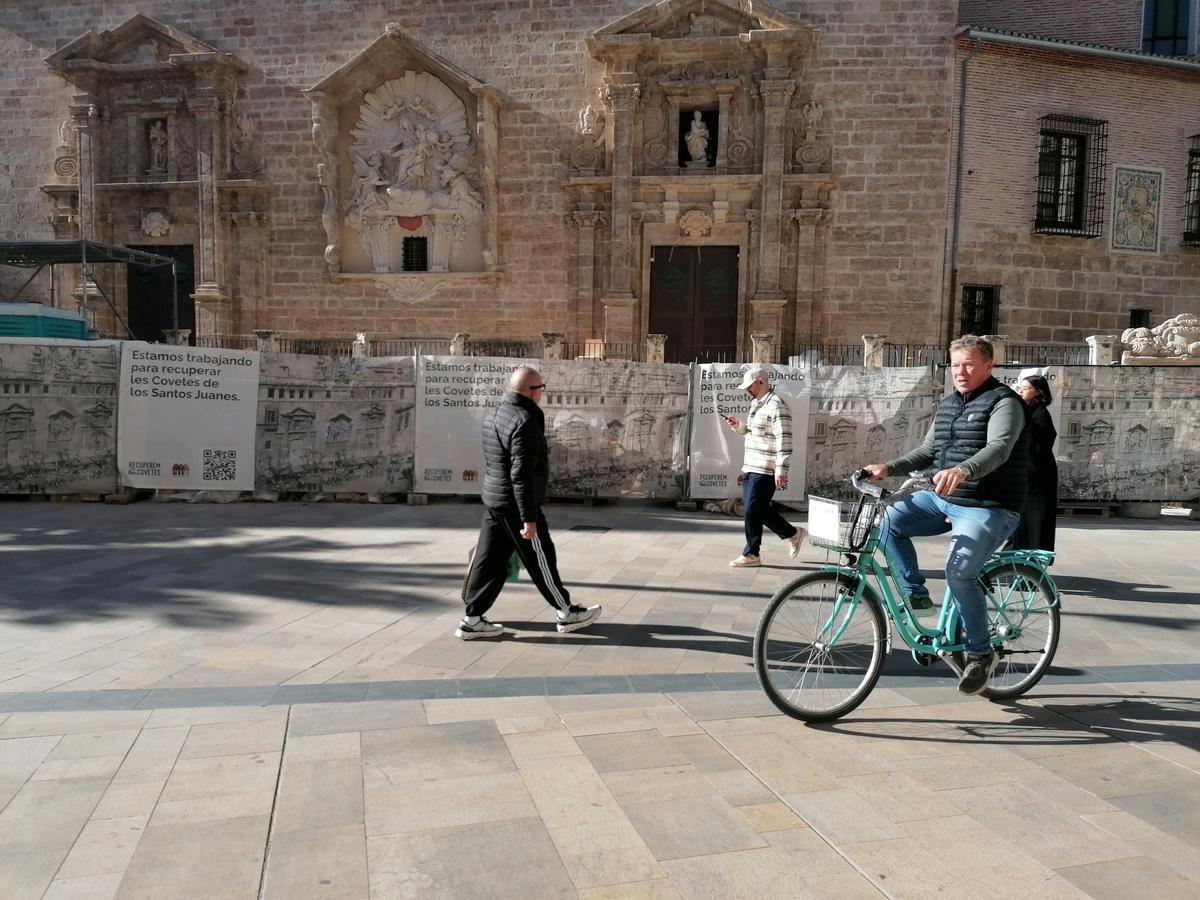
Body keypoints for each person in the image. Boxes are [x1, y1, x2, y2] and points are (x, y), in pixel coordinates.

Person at [862, 335, 1029, 695]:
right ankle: (915, 593)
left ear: (988, 365)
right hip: (943, 498)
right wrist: (886, 467)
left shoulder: (1005, 403)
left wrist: (964, 470)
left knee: (959, 572)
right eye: (955, 365)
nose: (961, 372)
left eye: (969, 364)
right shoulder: (950, 404)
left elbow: (999, 448)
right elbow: (927, 451)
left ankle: (980, 654)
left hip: (989, 505)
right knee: (888, 520)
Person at [458, 366, 601, 639]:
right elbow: (520, 474)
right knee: (541, 559)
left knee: (490, 562)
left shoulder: (495, 413)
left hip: (495, 501)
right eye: (541, 389)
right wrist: (528, 519)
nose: (542, 394)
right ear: (531, 392)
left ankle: (472, 619)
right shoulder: (525, 421)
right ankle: (566, 612)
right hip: (516, 505)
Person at [723, 366, 806, 568]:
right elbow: (754, 434)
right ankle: (793, 534)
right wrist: (740, 427)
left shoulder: (777, 406)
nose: (746, 390)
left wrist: (781, 469)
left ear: (761, 381)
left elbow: (784, 439)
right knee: (757, 509)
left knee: (753, 509)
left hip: (766, 468)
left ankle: (752, 553)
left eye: (749, 386)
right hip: (751, 465)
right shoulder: (756, 404)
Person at [1009, 375, 1058, 555]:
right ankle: (1016, 558)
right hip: (1025, 475)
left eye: (1026, 388)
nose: (1020, 391)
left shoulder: (1040, 413)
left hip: (1036, 477)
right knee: (1020, 522)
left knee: (1035, 521)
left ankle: (1032, 562)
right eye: (1020, 388)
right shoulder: (1027, 410)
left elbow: (1037, 446)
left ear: (1038, 392)